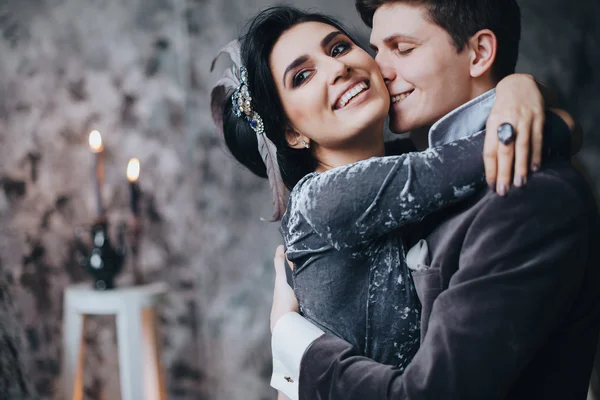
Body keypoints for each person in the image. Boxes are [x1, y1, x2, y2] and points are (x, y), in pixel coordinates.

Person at [267, 1, 600, 400]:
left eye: (402, 49)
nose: (379, 69)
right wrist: (537, 104)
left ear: (479, 53)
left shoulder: (529, 197)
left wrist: (290, 338)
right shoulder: (390, 182)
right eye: (378, 50)